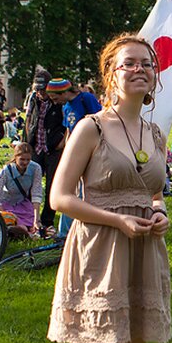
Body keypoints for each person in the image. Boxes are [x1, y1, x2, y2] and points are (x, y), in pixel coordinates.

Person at [47, 33, 171, 343]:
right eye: (129, 63)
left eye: (147, 63)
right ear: (111, 74)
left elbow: (156, 193)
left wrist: (160, 213)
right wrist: (116, 220)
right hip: (97, 254)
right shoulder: (92, 128)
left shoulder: (155, 133)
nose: (139, 69)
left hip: (143, 255)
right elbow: (60, 197)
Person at [52, 78, 102, 237]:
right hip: (75, 152)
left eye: (56, 97)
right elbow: (69, 131)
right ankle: (64, 233)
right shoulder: (66, 107)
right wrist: (67, 150)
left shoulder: (85, 99)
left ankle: (85, 228)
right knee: (69, 190)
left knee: (84, 191)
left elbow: (100, 120)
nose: (56, 102)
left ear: (65, 92)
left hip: (91, 150)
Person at [24, 70, 64, 237]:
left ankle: (47, 221)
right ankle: (28, 218)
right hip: (36, 147)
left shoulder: (58, 102)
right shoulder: (33, 99)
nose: (40, 93)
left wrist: (61, 143)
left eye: (43, 89)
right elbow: (28, 120)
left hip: (52, 149)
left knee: (51, 186)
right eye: (37, 89)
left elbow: (66, 124)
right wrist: (26, 142)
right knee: (30, 184)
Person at [0, 142, 42, 237]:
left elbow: (36, 193)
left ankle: (22, 230)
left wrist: (37, 219)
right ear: (15, 157)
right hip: (6, 204)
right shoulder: (6, 171)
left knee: (32, 225)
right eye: (22, 159)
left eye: (28, 159)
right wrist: (4, 216)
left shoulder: (35, 168)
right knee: (18, 225)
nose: (25, 162)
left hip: (22, 203)